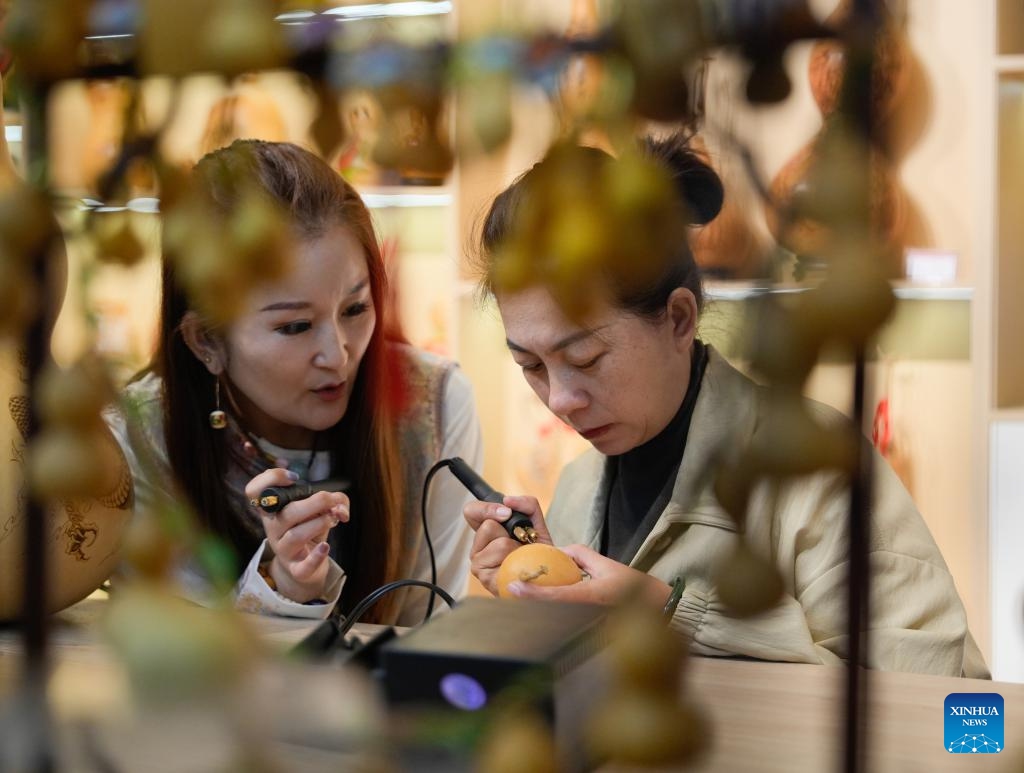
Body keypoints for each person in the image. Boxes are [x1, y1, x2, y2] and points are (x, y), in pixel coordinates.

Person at [464, 134, 988, 677]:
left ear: (679, 319)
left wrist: (674, 613)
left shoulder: (816, 469)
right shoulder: (577, 488)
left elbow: (971, 722)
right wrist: (546, 599)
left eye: (587, 357)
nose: (560, 400)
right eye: (531, 366)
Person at [106, 139, 482, 624]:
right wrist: (281, 589)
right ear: (206, 342)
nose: (338, 354)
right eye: (295, 327)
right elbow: (181, 660)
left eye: (355, 309)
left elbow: (428, 630)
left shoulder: (436, 403)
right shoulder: (133, 440)